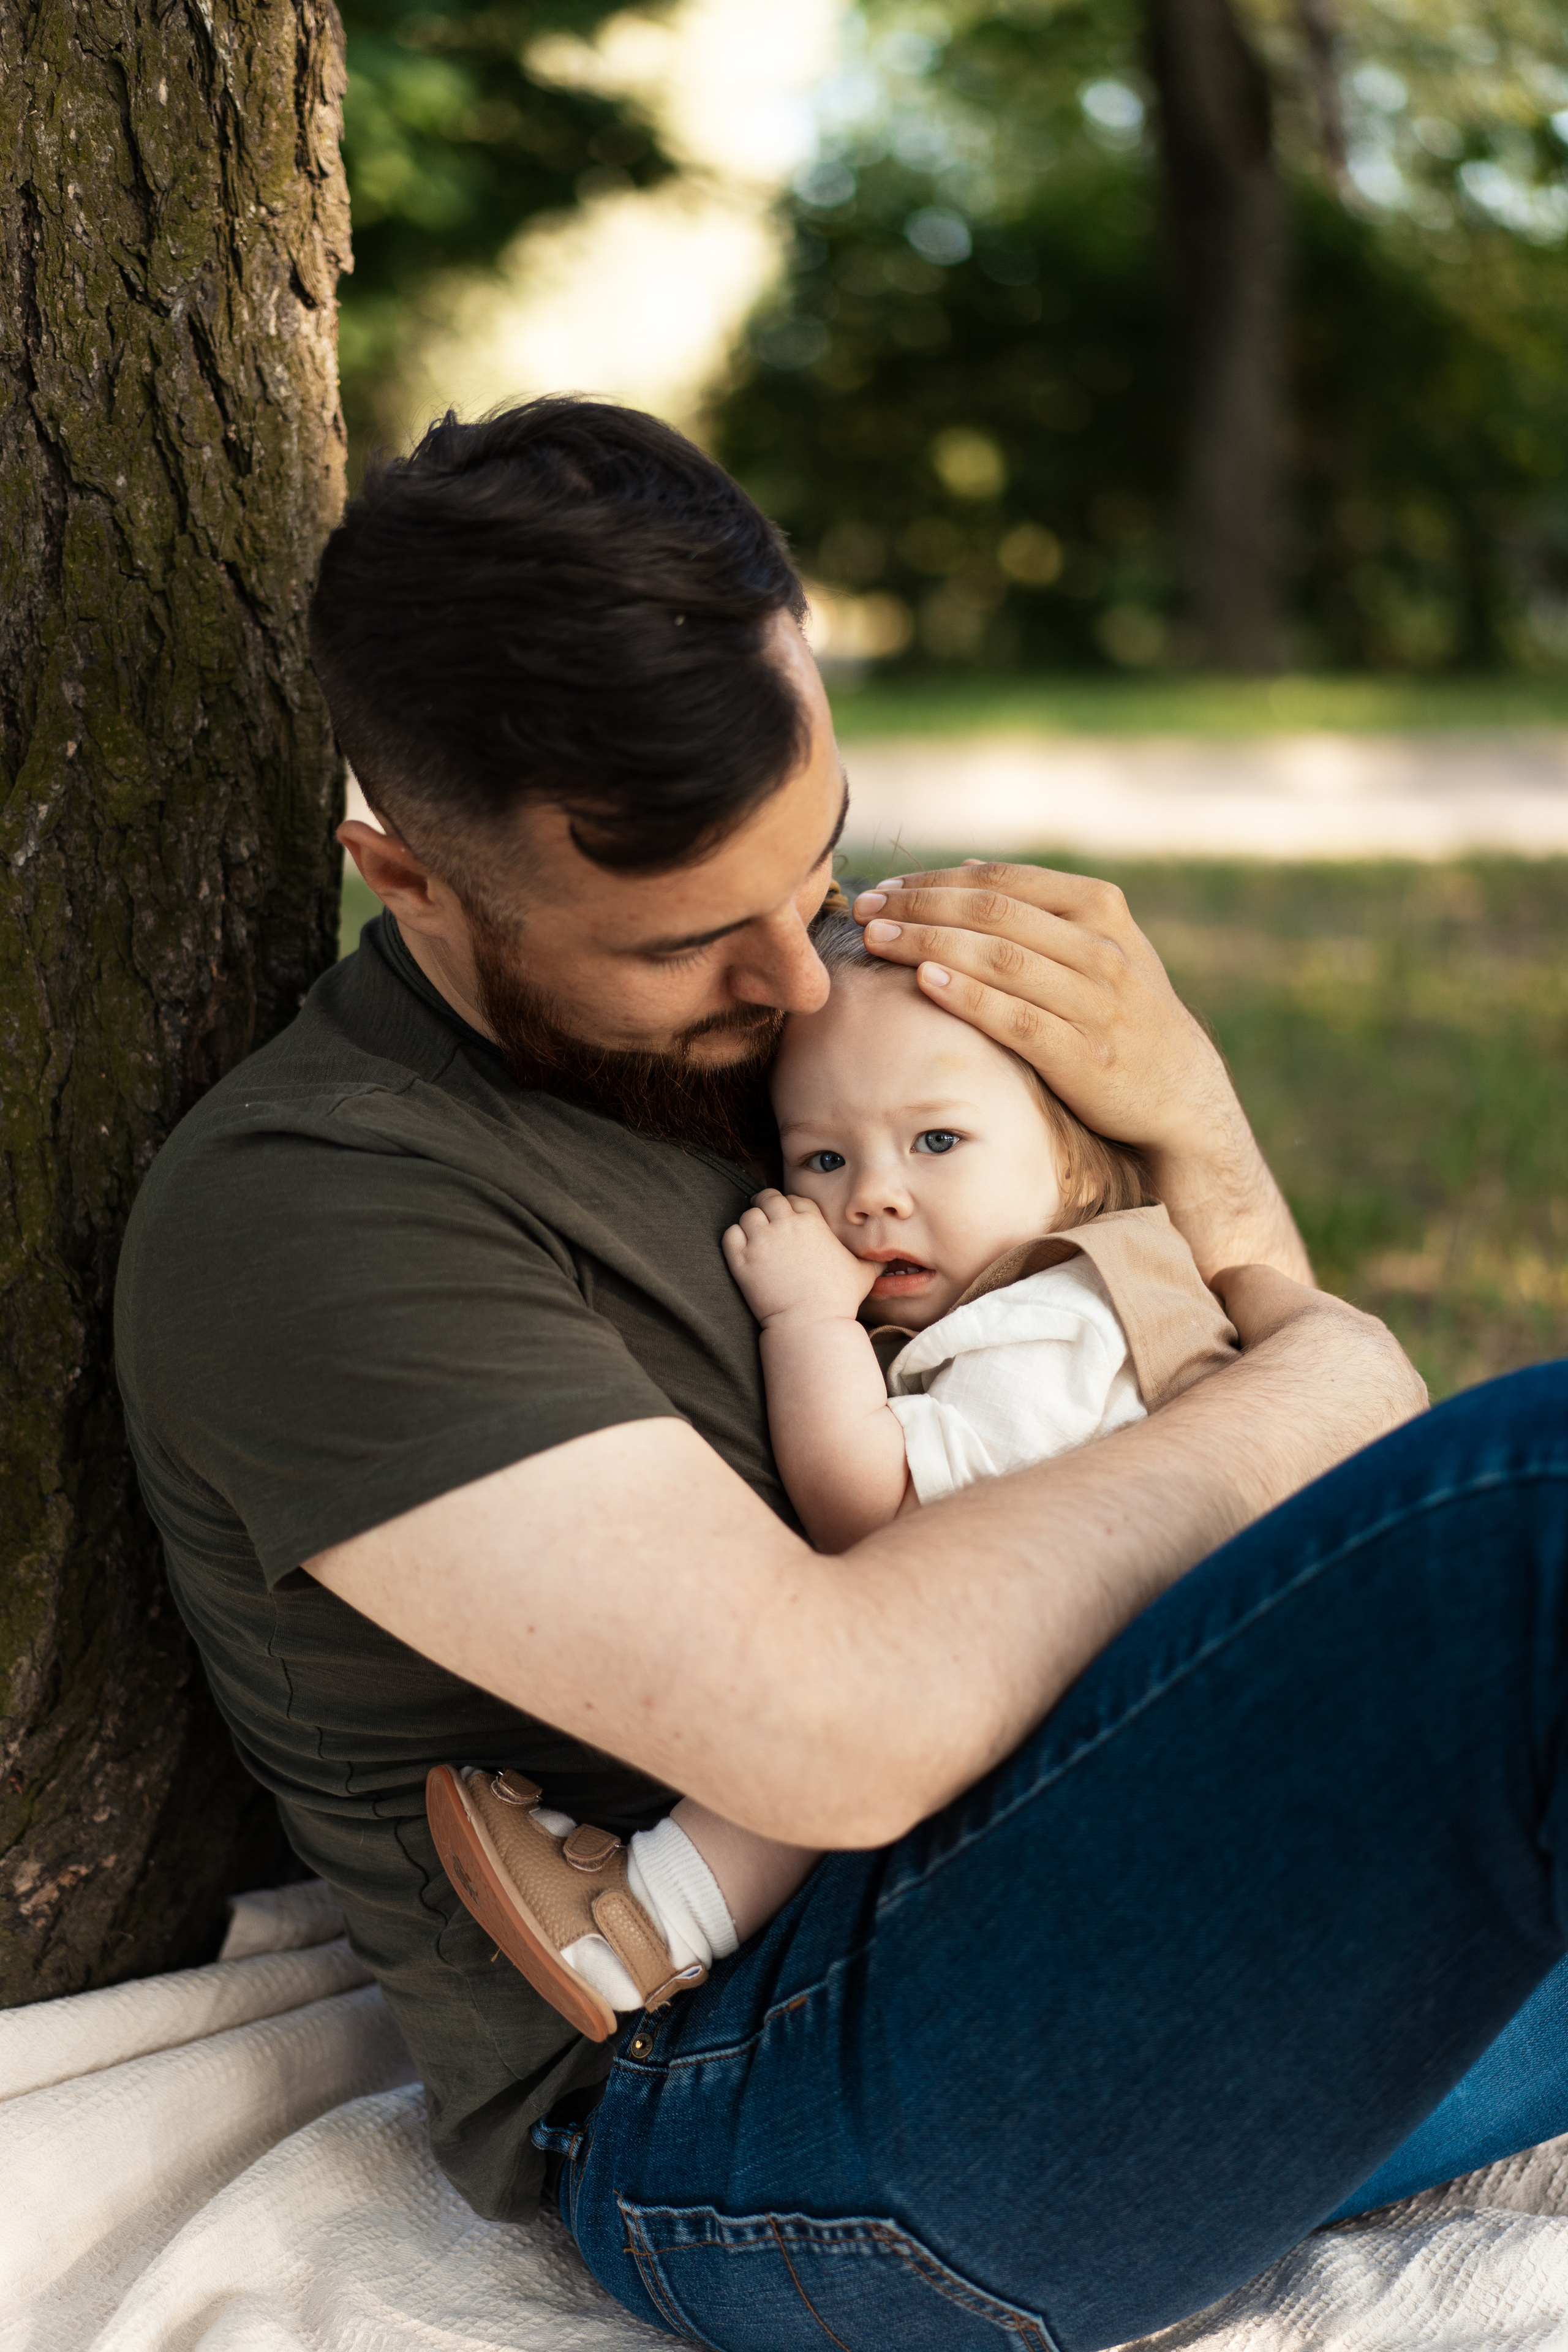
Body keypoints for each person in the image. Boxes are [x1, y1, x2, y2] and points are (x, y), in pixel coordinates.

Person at [113, 396, 1568, 2352]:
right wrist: (1344, 1374)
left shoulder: (844, 1041)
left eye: (816, 866)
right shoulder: (318, 1209)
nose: (799, 981)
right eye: (692, 940)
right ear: (414, 882)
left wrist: (1192, 1127)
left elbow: (1195, 1405)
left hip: (1115, 1919)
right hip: (776, 2125)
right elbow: (835, 1731)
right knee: (1539, 1513)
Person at [429, 905, 1240, 2034]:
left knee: (842, 1720)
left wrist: (808, 1319)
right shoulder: (1046, 1303)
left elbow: (876, 1509)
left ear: (1073, 1159)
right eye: (822, 1156)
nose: (872, 1195)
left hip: (1093, 1743)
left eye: (937, 1142)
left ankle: (639, 1924)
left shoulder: (1062, 1321)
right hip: (1092, 1734)